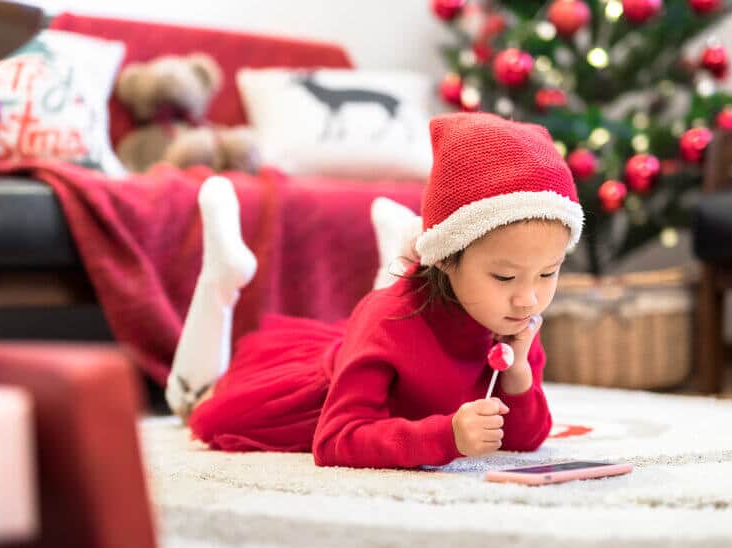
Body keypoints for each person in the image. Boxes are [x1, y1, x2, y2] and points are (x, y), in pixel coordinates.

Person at [166, 112, 584, 469]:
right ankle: (218, 284)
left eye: (549, 273)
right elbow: (334, 441)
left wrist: (519, 378)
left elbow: (525, 440)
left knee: (403, 325)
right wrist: (446, 436)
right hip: (313, 395)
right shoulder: (389, 323)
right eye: (506, 277)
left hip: (394, 344)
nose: (529, 297)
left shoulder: (511, 314)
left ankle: (398, 244)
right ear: (444, 254)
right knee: (195, 400)